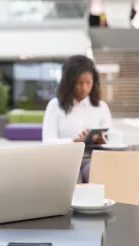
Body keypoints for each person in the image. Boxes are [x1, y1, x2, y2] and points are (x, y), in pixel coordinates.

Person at [42, 55, 112, 183]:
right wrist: (74, 141)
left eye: (88, 83)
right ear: (69, 82)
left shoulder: (101, 107)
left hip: (92, 159)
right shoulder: (55, 106)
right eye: (79, 83)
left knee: (95, 172)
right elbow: (47, 141)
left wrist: (100, 139)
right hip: (65, 160)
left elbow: (110, 137)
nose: (84, 88)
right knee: (73, 179)